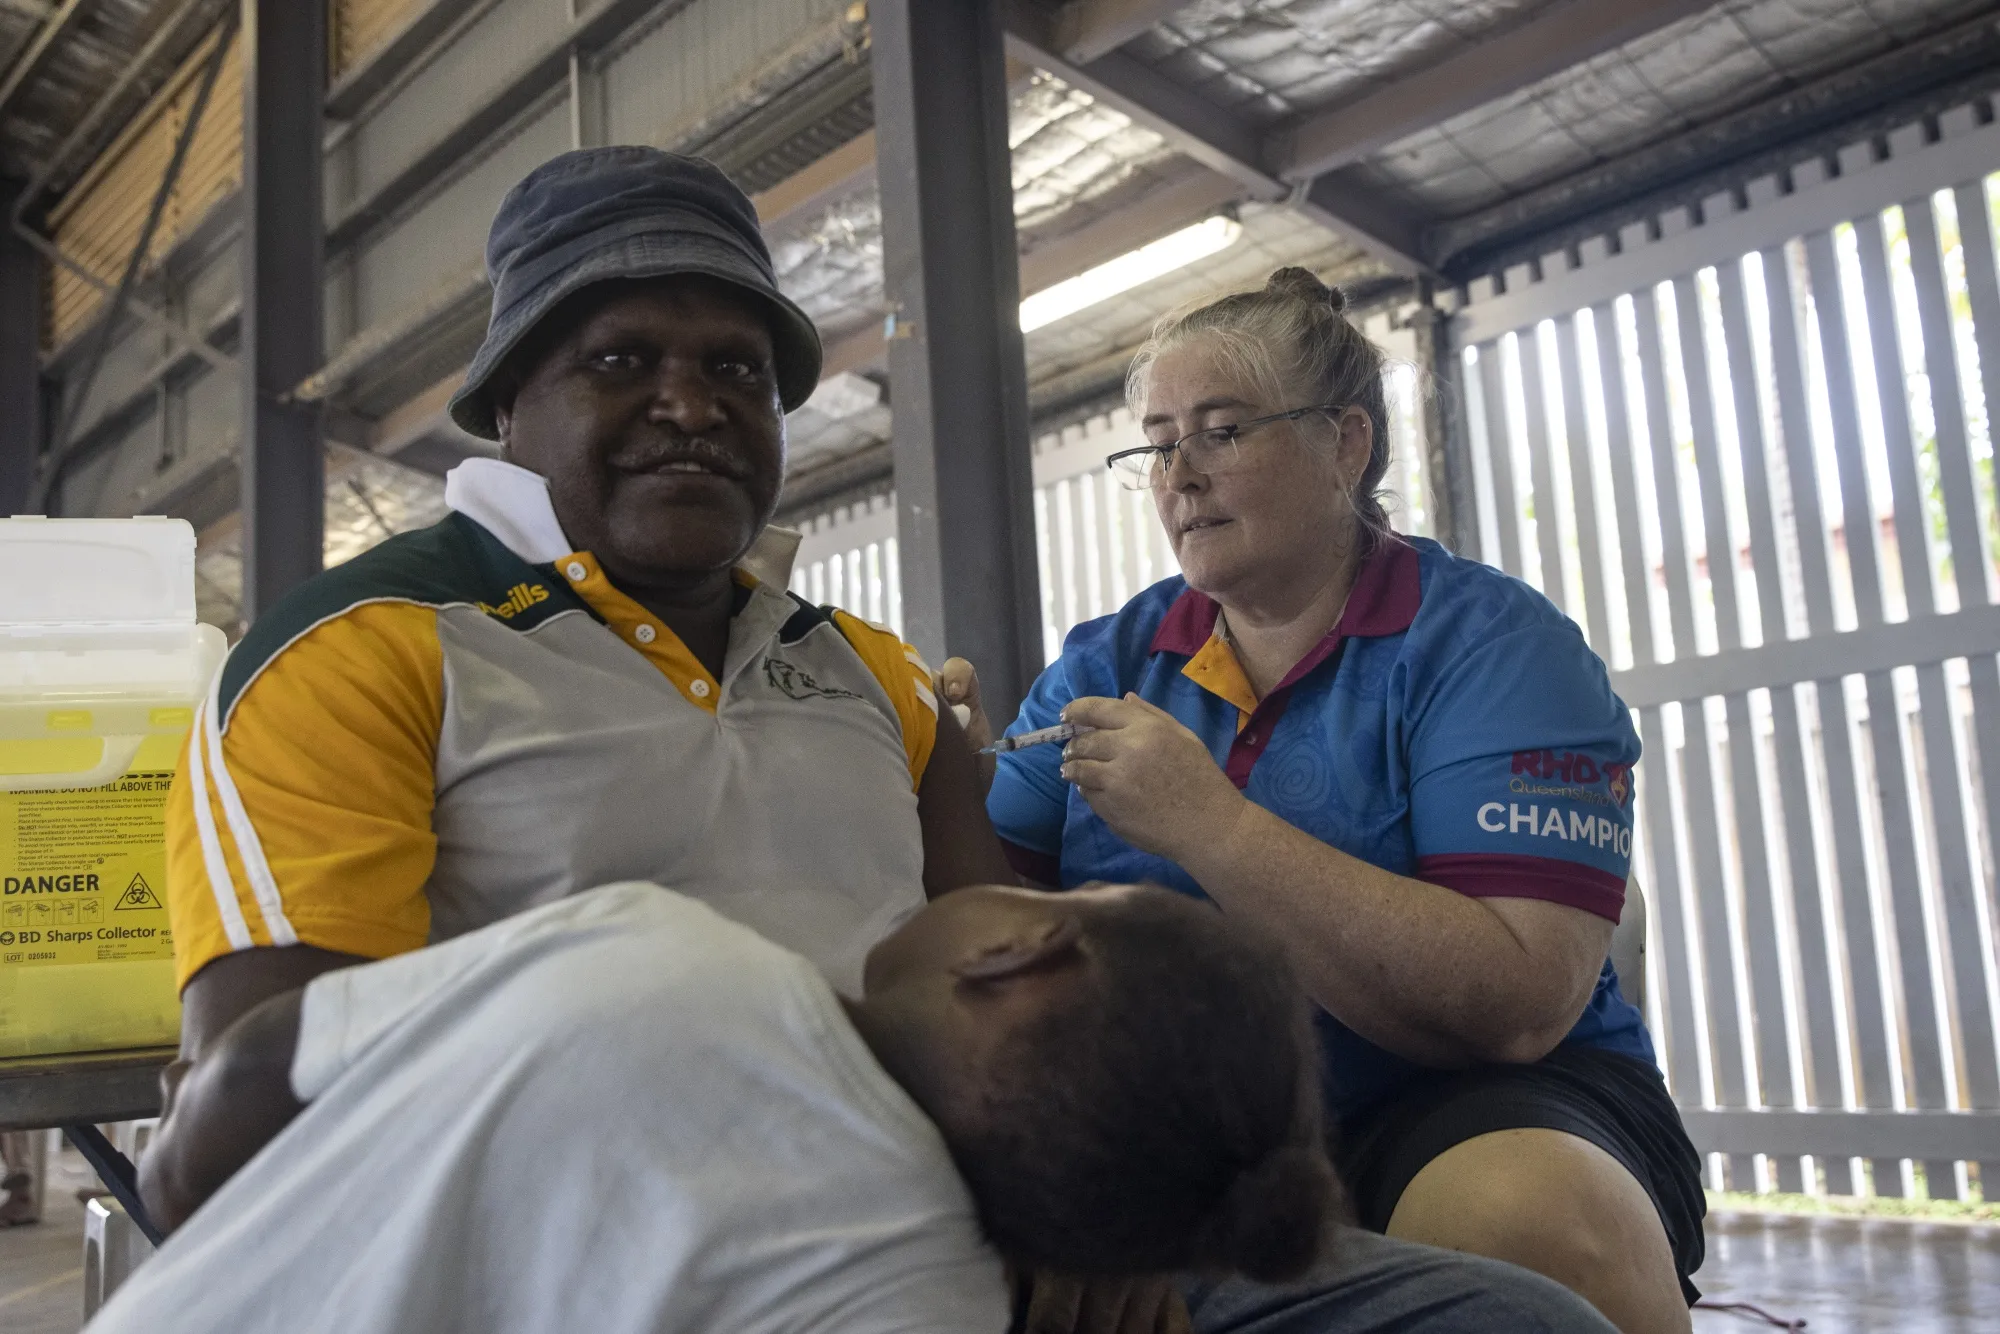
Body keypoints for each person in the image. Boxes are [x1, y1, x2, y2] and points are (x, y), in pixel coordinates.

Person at [153, 145, 1013, 1192]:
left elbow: (1000, 983)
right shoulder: (357, 653)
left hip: (890, 1248)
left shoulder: (874, 674)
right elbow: (261, 1133)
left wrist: (1078, 1198)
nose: (692, 408)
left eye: (735, 368)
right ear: (510, 400)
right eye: (620, 361)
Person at [948, 268, 1703, 1334]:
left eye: (1218, 432)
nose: (1178, 475)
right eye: (1156, 443)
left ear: (1344, 443)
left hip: (1458, 1098)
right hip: (1196, 1126)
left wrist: (1211, 825)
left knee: (1527, 1218)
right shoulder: (1108, 660)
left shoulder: (1487, 647)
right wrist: (933, 768)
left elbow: (1517, 1001)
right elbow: (975, 912)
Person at [101, 879, 1361, 1333]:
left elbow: (246, 1082)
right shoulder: (929, 1302)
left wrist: (176, 1168)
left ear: (1017, 951)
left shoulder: (654, 947)